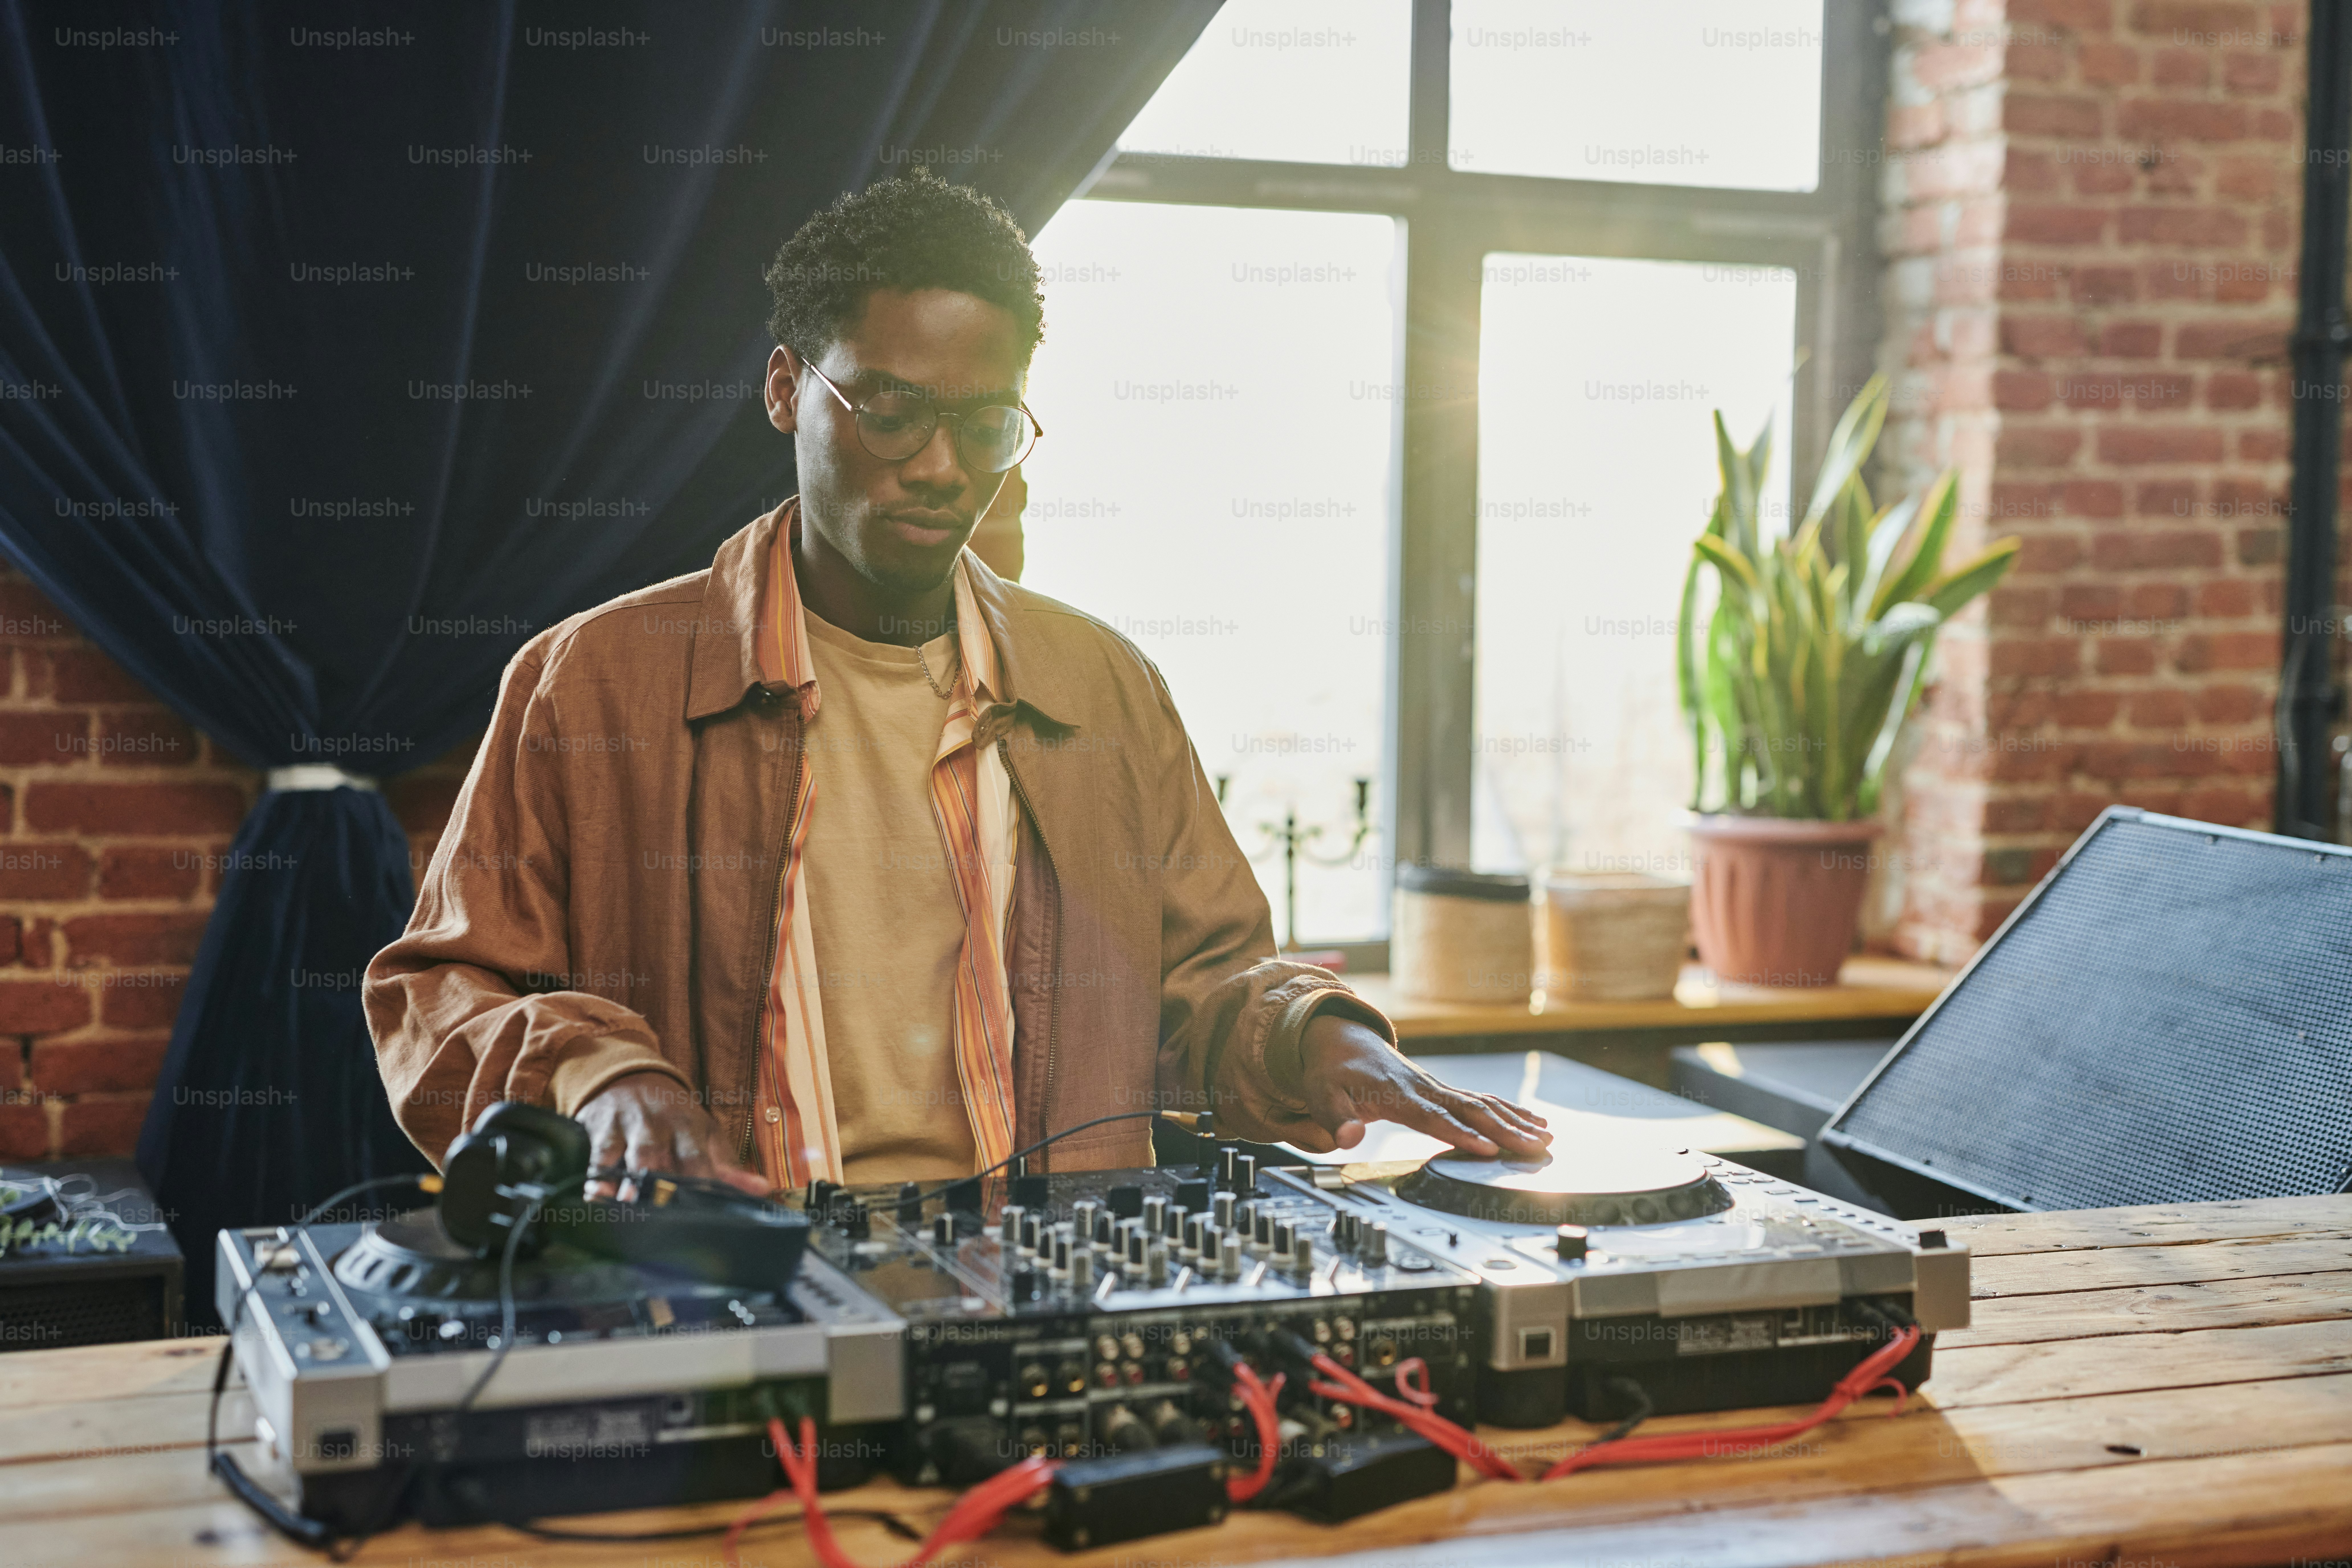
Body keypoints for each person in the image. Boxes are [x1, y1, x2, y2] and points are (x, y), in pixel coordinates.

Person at [364, 171, 1550, 1197]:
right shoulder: (591, 684)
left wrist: (1324, 1037)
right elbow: (439, 991)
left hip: (1046, 1300)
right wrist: (599, 1071)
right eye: (890, 411)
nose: (940, 468)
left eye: (986, 427)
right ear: (786, 389)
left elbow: (1212, 981)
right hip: (712, 1300)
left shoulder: (1108, 687)